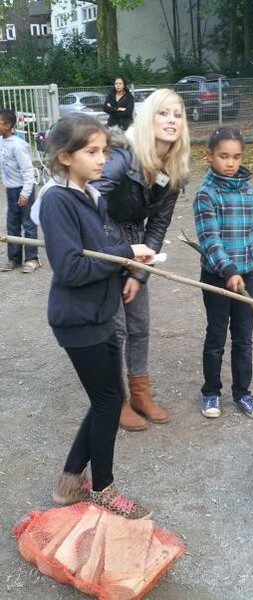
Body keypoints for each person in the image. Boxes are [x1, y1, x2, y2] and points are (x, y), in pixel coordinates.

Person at [33, 114, 155, 518]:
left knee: (107, 398)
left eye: (104, 150)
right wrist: (123, 254)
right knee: (108, 401)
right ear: (65, 157)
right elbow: (71, 269)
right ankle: (103, 488)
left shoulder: (91, 196)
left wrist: (129, 264)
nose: (102, 159)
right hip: (77, 320)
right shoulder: (57, 201)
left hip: (102, 314)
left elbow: (101, 250)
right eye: (92, 151)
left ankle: (70, 481)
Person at [92, 88, 191, 432]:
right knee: (115, 329)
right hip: (104, 246)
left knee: (139, 326)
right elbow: (89, 204)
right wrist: (118, 255)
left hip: (137, 251)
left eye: (178, 114)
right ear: (148, 117)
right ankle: (115, 399)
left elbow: (159, 224)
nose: (172, 120)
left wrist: (139, 272)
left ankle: (140, 393)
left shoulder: (173, 169)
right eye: (164, 113)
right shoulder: (122, 157)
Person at [193, 126, 253, 420]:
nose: (230, 163)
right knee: (216, 337)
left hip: (246, 276)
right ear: (210, 156)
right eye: (223, 156)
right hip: (217, 277)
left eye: (236, 157)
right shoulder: (206, 194)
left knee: (243, 339)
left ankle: (243, 393)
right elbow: (209, 239)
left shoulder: (249, 192)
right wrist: (227, 269)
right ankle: (211, 392)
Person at [0, 108, 40, 273]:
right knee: (12, 225)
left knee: (28, 224)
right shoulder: (1, 142)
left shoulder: (18, 145)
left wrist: (25, 193)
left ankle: (32, 259)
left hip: (23, 190)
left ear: (7, 125)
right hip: (10, 190)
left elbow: (28, 171)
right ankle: (14, 258)